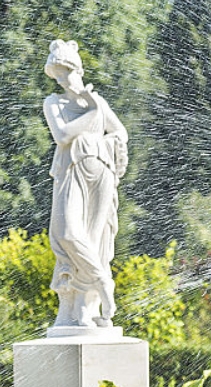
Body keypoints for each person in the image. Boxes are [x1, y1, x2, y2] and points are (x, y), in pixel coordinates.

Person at [43, 39, 128, 328]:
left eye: (65, 71)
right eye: (57, 74)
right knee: (67, 233)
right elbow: (63, 135)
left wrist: (98, 122)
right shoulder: (53, 102)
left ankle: (83, 311)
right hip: (70, 169)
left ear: (77, 69)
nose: (62, 79)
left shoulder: (99, 102)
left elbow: (120, 133)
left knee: (95, 239)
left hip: (100, 170)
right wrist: (93, 112)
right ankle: (104, 282)